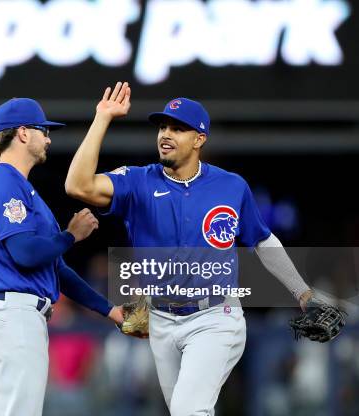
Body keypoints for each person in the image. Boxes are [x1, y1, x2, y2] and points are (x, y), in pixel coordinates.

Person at [65, 82, 317, 415]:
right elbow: (77, 185)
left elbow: (262, 241)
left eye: (179, 128)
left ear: (199, 140)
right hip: (161, 320)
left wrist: (302, 293)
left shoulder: (230, 185)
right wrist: (102, 118)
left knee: (189, 410)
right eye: (163, 126)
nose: (166, 134)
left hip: (216, 316)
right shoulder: (139, 182)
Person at [0, 97, 124, 416]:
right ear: (23, 133)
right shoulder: (4, 181)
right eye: (43, 130)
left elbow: (58, 270)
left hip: (2, 316)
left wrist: (110, 311)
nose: (49, 138)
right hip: (12, 319)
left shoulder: (19, 188)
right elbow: (25, 253)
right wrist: (71, 235)